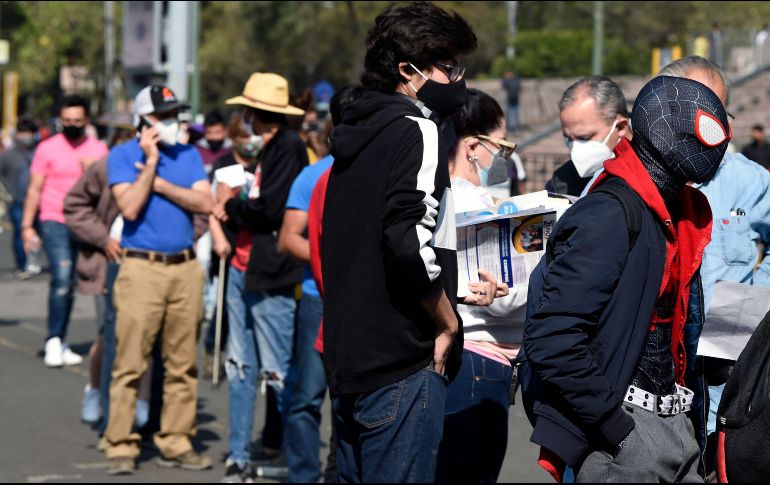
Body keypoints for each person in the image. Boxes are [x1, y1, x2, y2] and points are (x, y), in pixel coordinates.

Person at [524, 75, 730, 482]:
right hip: (627, 432)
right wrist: (615, 427)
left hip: (676, 422)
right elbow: (552, 337)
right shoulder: (609, 214)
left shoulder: (678, 216)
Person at [321, 2, 477, 482]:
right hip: (399, 358)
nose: (458, 80)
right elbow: (407, 240)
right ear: (408, 71)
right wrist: (447, 322)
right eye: (449, 68)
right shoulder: (418, 129)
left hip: (349, 356)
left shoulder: (356, 129)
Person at [658, 55, 770, 477]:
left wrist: (745, 311)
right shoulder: (626, 181)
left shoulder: (751, 180)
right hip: (649, 397)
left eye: (722, 111)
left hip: (726, 396)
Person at [104, 84, 214, 475]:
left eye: (174, 114)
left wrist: (161, 184)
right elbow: (130, 208)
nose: (172, 122)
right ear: (143, 121)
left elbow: (207, 203)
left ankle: (176, 440)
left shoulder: (188, 155)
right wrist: (150, 163)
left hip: (184, 268)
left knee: (183, 364)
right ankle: (120, 442)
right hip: (141, 268)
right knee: (130, 362)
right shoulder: (122, 155)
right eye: (163, 116)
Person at [214, 72, 308, 482]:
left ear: (257, 112)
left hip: (268, 271)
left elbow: (270, 208)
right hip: (245, 266)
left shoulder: (287, 146)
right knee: (240, 366)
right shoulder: (273, 147)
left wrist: (231, 206)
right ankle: (240, 451)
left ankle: (289, 454)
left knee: (275, 371)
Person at [434, 88, 523, 483]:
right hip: (481, 362)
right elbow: (505, 300)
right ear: (472, 146)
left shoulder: (430, 200)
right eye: (501, 146)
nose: (503, 158)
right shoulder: (478, 206)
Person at [277, 85, 364, 483]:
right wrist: (328, 261)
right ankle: (302, 474)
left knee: (347, 408)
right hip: (318, 300)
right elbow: (289, 237)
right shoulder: (314, 176)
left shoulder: (369, 173)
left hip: (357, 306)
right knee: (306, 399)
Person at [21, 95, 109, 368]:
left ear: (87, 121)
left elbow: (109, 193)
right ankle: (54, 339)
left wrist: (94, 172)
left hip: (86, 223)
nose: (71, 125)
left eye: (77, 121)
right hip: (54, 220)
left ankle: (64, 338)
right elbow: (34, 189)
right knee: (61, 276)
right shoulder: (47, 148)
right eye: (66, 121)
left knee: (76, 282)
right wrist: (26, 226)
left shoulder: (98, 150)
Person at [546, 76, 631, 197]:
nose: (575, 148)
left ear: (621, 127)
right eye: (569, 139)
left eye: (584, 138)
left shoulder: (656, 171)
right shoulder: (561, 185)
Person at [0, 118, 39, 279]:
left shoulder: (40, 152)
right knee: (19, 233)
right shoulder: (8, 155)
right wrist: (7, 192)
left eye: (29, 133)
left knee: (40, 233)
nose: (26, 137)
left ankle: (35, 261)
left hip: (40, 201)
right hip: (17, 200)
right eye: (23, 133)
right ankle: (22, 265)